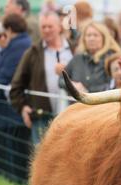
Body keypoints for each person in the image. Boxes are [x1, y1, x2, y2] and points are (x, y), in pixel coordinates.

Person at [10, 11, 73, 145]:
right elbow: (16, 86)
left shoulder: (74, 49)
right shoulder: (32, 53)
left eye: (50, 26)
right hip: (42, 118)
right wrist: (22, 107)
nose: (46, 30)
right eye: (43, 27)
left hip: (73, 118)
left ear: (59, 27)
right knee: (42, 161)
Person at [59, 21, 121, 93]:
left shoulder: (112, 60)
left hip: (103, 103)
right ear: (84, 39)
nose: (91, 38)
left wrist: (88, 91)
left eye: (95, 35)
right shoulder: (77, 58)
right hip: (78, 103)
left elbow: (113, 85)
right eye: (88, 35)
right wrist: (72, 85)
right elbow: (61, 80)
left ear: (104, 38)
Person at [0, 13, 31, 101]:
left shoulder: (17, 46)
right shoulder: (22, 42)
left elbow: (5, 75)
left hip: (13, 97)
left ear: (9, 29)